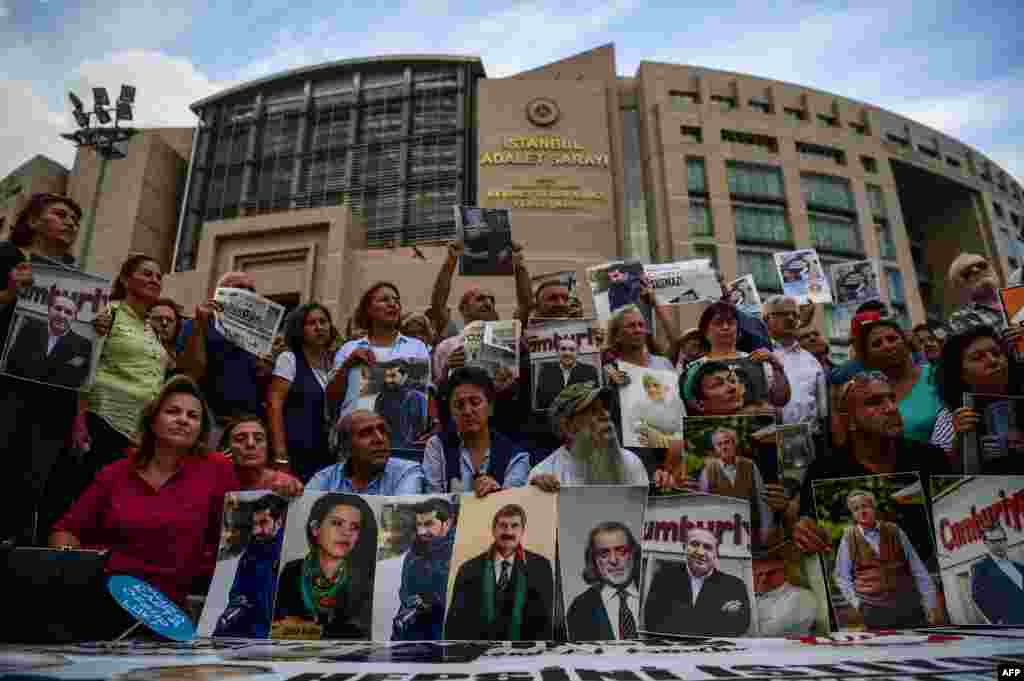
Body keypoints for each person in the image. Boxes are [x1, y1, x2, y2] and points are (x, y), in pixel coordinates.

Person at [51, 376, 239, 610]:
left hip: (171, 610)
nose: (183, 420)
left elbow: (236, 539)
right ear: (152, 421)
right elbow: (67, 530)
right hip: (104, 595)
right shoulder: (115, 473)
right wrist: (66, 567)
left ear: (201, 430)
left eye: (193, 416)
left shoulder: (217, 469)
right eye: (173, 412)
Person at [790, 371, 951, 561]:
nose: (891, 408)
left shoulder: (930, 457)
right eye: (874, 402)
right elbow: (809, 526)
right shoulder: (825, 469)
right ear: (849, 420)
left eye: (892, 398)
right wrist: (805, 529)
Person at [0, 193, 85, 545]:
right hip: (7, 391)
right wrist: (8, 294)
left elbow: (81, 352)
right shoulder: (6, 257)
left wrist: (98, 326)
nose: (70, 223)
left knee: (32, 487)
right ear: (33, 221)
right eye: (60, 214)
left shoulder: (79, 281)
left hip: (54, 399)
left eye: (75, 219)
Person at [84, 254, 172, 468]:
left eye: (159, 277)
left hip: (139, 433)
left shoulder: (153, 329)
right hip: (102, 422)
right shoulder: (106, 312)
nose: (155, 280)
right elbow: (83, 366)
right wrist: (79, 423)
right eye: (147, 274)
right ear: (125, 279)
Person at [328, 282, 433, 451]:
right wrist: (348, 365)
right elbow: (332, 399)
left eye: (397, 301)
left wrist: (432, 427)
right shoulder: (349, 349)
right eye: (384, 300)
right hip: (355, 444)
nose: (393, 304)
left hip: (403, 445)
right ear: (368, 310)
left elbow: (424, 394)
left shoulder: (417, 347)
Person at [178, 272, 274, 447]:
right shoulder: (196, 325)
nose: (246, 292)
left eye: (250, 289)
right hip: (211, 423)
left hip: (250, 425)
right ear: (220, 294)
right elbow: (191, 373)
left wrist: (268, 365)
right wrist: (200, 325)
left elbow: (264, 381)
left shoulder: (261, 335)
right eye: (239, 288)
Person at [273, 493, 377, 639]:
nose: (346, 532)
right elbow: (278, 629)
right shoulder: (292, 571)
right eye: (337, 523)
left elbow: (361, 634)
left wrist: (307, 629)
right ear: (315, 528)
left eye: (354, 527)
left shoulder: (365, 578)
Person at [834, 489, 941, 629]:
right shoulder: (849, 537)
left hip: (909, 606)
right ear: (853, 514)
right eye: (856, 509)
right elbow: (842, 576)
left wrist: (930, 603)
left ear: (873, 507)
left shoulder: (894, 530)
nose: (862, 511)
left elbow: (917, 567)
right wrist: (857, 603)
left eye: (865, 506)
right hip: (873, 611)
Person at [444, 504, 554, 640]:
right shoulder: (468, 569)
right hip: (479, 655)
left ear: (522, 531)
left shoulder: (540, 567)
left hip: (525, 655)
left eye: (514, 526)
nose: (508, 532)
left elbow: (546, 622)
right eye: (503, 525)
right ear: (493, 530)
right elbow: (455, 625)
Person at [930, 325, 1024, 471]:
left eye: (997, 353)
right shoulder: (951, 418)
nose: (993, 361)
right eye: (978, 358)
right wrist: (961, 440)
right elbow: (950, 478)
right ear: (960, 374)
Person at [423, 367, 530, 495]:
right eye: (459, 405)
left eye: (475, 402)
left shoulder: (516, 457)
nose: (467, 411)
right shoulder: (437, 446)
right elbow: (434, 501)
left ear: (490, 407)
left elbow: (512, 507)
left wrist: (498, 493)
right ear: (451, 411)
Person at [530, 382, 650, 489]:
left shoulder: (630, 462)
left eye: (605, 408)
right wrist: (537, 495)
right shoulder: (543, 473)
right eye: (593, 411)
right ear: (567, 427)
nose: (606, 415)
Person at [267, 303, 335, 482]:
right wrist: (280, 455)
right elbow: (275, 406)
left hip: (329, 458)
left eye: (323, 321)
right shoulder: (289, 360)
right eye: (311, 323)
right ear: (300, 329)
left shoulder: (335, 364)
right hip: (296, 455)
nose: (319, 327)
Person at [643, 527, 751, 636]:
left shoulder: (734, 586)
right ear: (685, 548)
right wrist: (716, 617)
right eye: (694, 544)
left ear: (715, 554)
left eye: (707, 547)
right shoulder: (663, 579)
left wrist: (681, 619)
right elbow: (652, 623)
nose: (700, 552)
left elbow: (739, 627)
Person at [683, 301, 790, 411]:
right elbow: (691, 411)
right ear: (705, 331)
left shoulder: (759, 360)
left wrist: (776, 366)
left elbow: (780, 400)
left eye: (730, 322)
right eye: (718, 323)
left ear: (738, 330)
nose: (725, 327)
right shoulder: (693, 368)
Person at [855, 314, 942, 444]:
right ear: (868, 357)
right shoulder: (866, 392)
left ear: (906, 343)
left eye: (892, 339)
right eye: (877, 344)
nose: (887, 346)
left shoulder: (937, 376)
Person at [213, 494, 287, 638]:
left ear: (278, 522)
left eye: (263, 523)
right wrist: (233, 611)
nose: (256, 530)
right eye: (254, 524)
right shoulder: (251, 550)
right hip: (253, 632)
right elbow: (238, 592)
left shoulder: (290, 552)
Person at [306, 410, 423, 494]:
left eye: (383, 431)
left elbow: (400, 517)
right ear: (346, 447)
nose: (380, 439)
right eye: (366, 433)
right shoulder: (326, 478)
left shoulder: (406, 472)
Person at [565, 521, 642, 641]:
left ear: (634, 553)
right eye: (604, 554)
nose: (613, 560)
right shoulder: (580, 608)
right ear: (594, 560)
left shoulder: (659, 597)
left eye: (621, 551)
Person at [392, 497, 455, 641]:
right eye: (419, 524)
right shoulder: (413, 555)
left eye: (428, 524)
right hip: (409, 638)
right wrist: (410, 602)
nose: (421, 531)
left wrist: (431, 602)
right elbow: (404, 592)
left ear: (447, 523)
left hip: (444, 640)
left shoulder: (459, 553)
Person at [5, 293, 93, 388]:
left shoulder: (83, 344)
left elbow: (77, 380)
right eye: (58, 309)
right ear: (49, 310)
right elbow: (12, 363)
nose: (62, 315)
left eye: (68, 312)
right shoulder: (29, 329)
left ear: (74, 317)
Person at [765, 296, 826, 431]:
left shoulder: (811, 361)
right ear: (766, 319)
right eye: (782, 314)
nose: (791, 318)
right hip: (768, 441)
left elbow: (822, 412)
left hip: (809, 440)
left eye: (795, 315)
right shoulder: (758, 357)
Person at [221, 414, 303, 497]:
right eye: (240, 439)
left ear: (268, 446)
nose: (250, 444)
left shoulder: (286, 483)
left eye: (259, 439)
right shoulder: (216, 481)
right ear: (227, 448)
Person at [754, 544, 817, 636]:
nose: (764, 579)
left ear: (785, 571)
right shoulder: (750, 596)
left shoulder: (802, 596)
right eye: (759, 574)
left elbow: (773, 631)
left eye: (771, 573)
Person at [970, 520, 1024, 625]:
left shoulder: (1019, 566)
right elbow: (978, 597)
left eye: (1001, 540)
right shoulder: (981, 568)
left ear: (1006, 541)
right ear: (986, 543)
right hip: (1011, 625)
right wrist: (997, 620)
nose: (998, 544)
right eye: (993, 541)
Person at [946, 253, 1010, 336]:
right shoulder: (960, 318)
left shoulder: (1017, 297)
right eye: (967, 272)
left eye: (982, 265)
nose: (976, 270)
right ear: (958, 286)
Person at [534, 338, 600, 411]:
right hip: (553, 419)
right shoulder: (546, 372)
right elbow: (541, 401)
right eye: (563, 349)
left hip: (580, 419)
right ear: (557, 352)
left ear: (578, 352)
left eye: (572, 349)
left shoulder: (589, 371)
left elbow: (595, 400)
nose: (567, 353)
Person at [376, 360, 429, 450]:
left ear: (405, 376)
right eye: (386, 376)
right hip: (388, 450)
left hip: (410, 451)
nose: (388, 380)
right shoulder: (381, 398)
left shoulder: (417, 398)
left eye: (393, 376)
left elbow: (423, 428)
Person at [147, 297, 182, 371]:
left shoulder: (182, 354)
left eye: (170, 320)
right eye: (158, 319)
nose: (164, 323)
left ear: (177, 324)